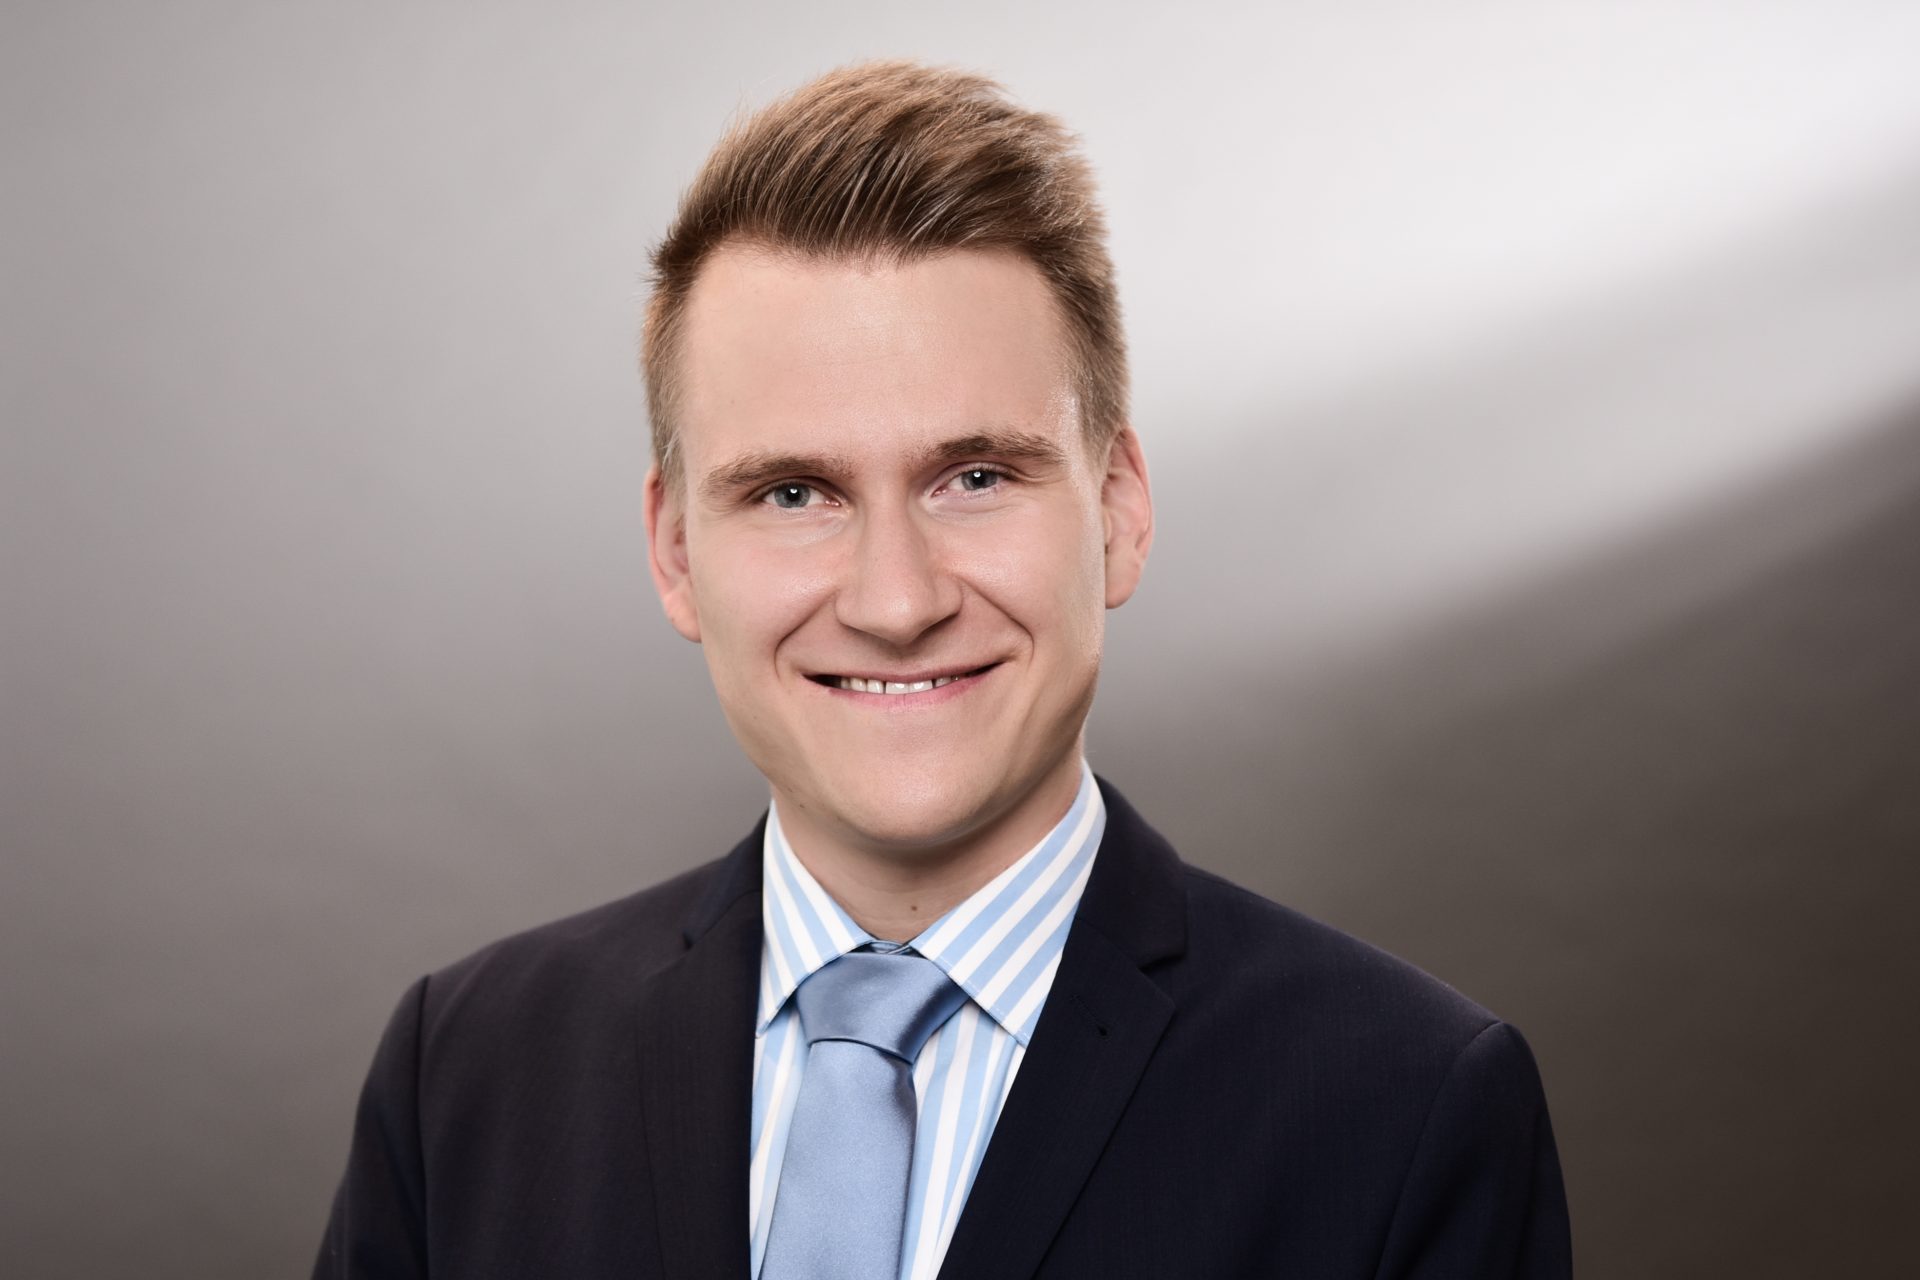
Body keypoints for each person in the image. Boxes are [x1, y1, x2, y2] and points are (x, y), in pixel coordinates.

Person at [314, 60, 1571, 1279]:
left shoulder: (1409, 1111)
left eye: (975, 476)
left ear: (1119, 509)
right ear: (676, 550)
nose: (896, 601)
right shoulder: (461, 1075)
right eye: (793, 491)